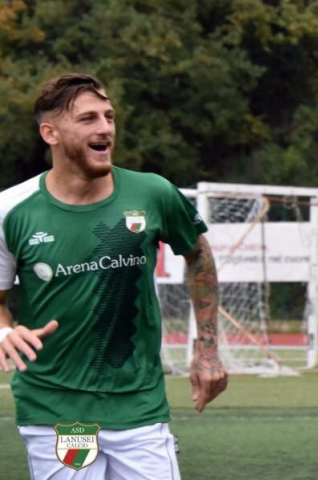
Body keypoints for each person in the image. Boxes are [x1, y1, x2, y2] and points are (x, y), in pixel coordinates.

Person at [0, 73, 227, 479]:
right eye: (88, 119)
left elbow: (198, 255)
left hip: (137, 406)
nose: (105, 128)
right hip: (57, 410)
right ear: (50, 133)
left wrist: (207, 349)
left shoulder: (153, 193)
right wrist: (4, 332)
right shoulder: (10, 211)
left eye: (109, 116)